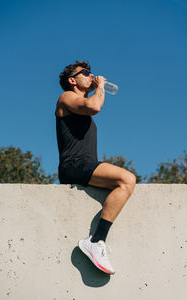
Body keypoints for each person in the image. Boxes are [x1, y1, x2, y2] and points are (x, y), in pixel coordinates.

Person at [55, 61, 136, 275]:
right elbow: (94, 107)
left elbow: (90, 107)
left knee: (125, 182)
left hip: (85, 165)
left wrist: (95, 87)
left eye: (92, 73)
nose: (91, 76)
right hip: (74, 165)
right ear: (73, 80)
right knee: (127, 179)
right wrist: (100, 86)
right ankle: (96, 241)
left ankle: (97, 240)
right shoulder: (66, 98)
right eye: (86, 73)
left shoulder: (80, 104)